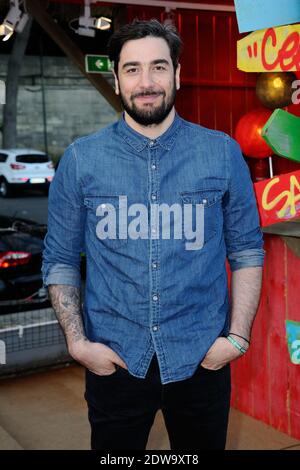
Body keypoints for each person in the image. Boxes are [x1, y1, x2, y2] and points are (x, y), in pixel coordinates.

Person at [42, 19, 264, 451]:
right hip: (115, 362)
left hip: (203, 360)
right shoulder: (81, 160)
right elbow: (61, 259)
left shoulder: (221, 153)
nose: (147, 82)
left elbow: (247, 251)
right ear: (117, 77)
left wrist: (236, 338)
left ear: (177, 73)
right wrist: (78, 344)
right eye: (133, 69)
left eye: (158, 67)